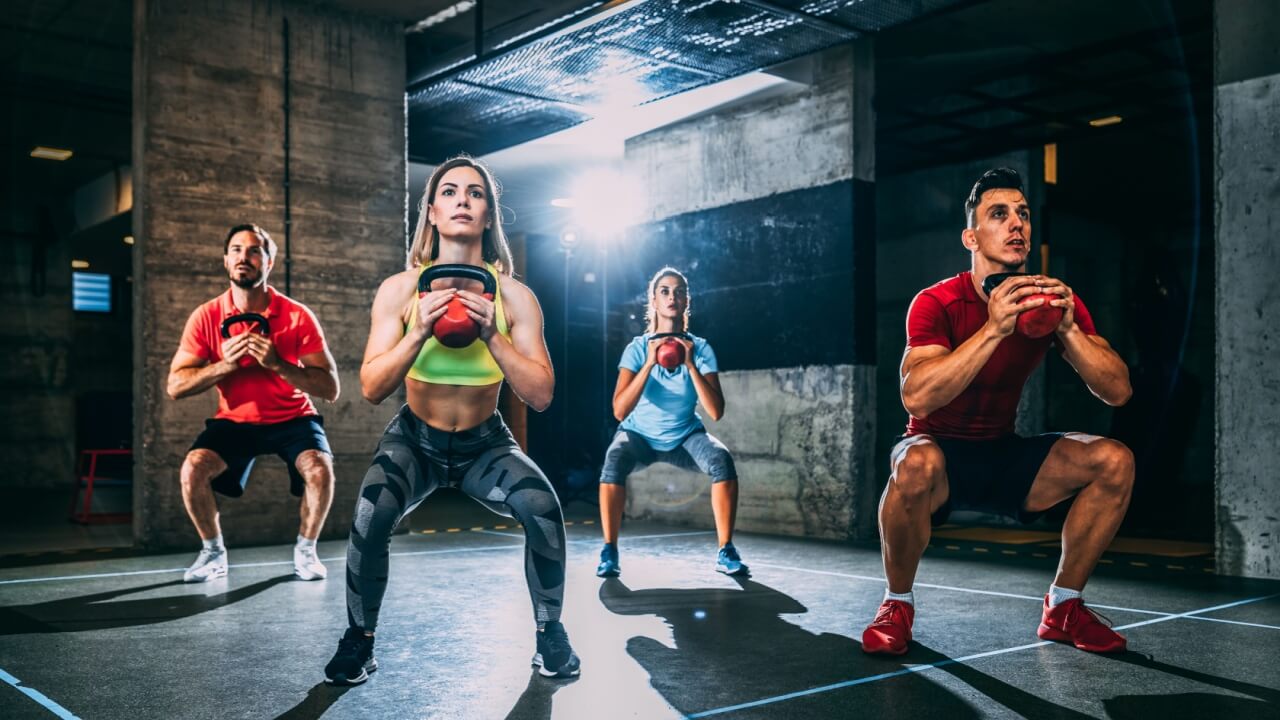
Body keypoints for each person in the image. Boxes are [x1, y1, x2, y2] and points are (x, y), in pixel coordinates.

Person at [323, 156, 578, 686]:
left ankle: (549, 633)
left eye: (475, 193)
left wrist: (492, 335)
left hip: (485, 446)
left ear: (488, 217)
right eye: (450, 191)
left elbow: (541, 394)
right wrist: (418, 332)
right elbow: (372, 388)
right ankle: (359, 641)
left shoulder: (514, 297)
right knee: (370, 518)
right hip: (414, 440)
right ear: (432, 212)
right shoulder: (399, 291)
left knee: (543, 510)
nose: (463, 200)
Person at [862, 168, 1134, 655]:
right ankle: (896, 604)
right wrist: (992, 329)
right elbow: (918, 398)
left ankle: (1063, 607)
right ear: (972, 235)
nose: (1017, 225)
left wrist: (1069, 330)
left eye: (1024, 215)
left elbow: (1117, 392)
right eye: (999, 214)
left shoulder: (1047, 302)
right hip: (937, 453)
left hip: (1002, 453)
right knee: (914, 462)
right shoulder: (937, 301)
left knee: (1114, 461)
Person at [167, 223, 340, 583]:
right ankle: (213, 554)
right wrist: (225, 366)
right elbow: (176, 385)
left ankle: (306, 552)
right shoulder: (206, 316)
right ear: (226, 260)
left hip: (292, 416)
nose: (243, 257)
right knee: (192, 470)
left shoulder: (296, 316)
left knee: (320, 470)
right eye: (236, 250)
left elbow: (330, 387)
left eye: (254, 250)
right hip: (235, 420)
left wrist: (278, 364)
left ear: (269, 262)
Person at [596, 267, 747, 578]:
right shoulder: (637, 348)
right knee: (614, 458)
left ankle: (726, 550)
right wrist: (650, 361)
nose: (672, 297)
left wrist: (690, 364)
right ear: (654, 300)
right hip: (639, 436)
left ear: (686, 301)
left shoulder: (701, 348)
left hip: (684, 437)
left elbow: (715, 411)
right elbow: (619, 411)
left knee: (721, 460)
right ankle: (609, 551)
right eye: (664, 291)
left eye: (679, 291)